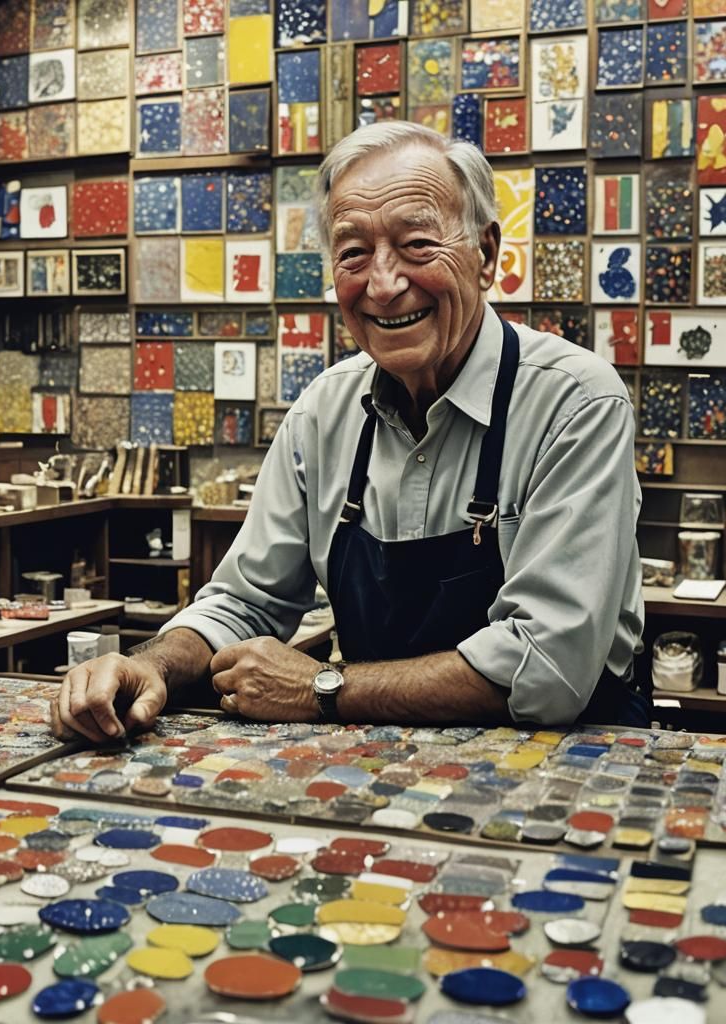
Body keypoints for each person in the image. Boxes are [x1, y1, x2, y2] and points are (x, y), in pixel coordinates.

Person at [52, 122, 645, 743]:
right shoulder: (323, 414)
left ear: (486, 254)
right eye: (353, 252)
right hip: (372, 761)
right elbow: (245, 601)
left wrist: (320, 689)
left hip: (567, 768)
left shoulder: (574, 402)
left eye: (417, 244)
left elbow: (548, 667)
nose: (383, 285)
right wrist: (150, 665)